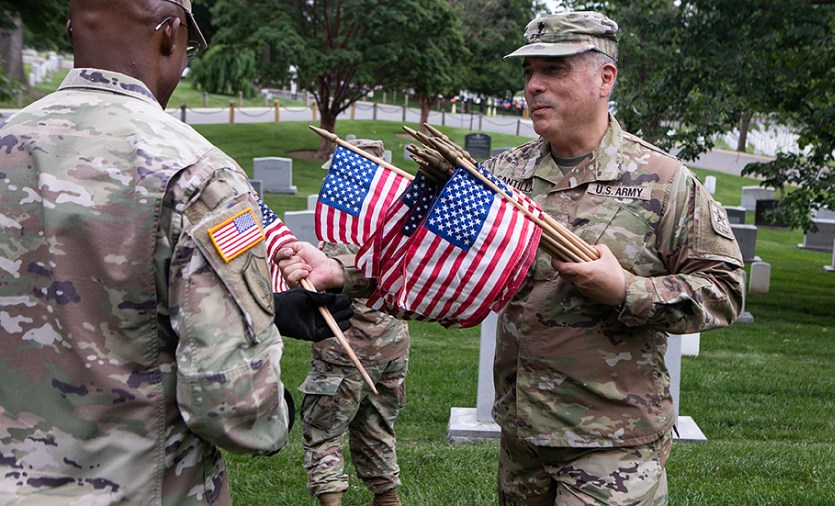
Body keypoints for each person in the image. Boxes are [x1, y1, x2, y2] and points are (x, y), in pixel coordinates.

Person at [279, 10, 745, 506]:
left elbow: (724, 288)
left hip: (613, 443)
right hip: (522, 436)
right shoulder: (499, 176)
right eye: (528, 72)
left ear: (606, 78)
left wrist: (626, 291)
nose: (534, 86)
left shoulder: (666, 182)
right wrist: (342, 273)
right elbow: (431, 265)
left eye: (554, 70)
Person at [0, 0, 350, 503]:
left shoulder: (8, 141)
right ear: (169, 35)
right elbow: (230, 404)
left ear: (72, 29)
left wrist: (266, 311)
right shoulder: (197, 175)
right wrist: (276, 411)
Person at [294, 140, 409, 506]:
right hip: (391, 349)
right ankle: (386, 497)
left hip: (343, 351)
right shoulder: (400, 229)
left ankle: (333, 501)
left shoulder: (344, 232)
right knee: (377, 429)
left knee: (324, 432)